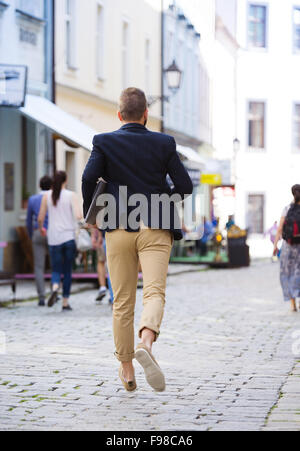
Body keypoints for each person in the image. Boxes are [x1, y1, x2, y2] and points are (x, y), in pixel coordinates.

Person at [82, 87, 193, 392]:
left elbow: (88, 178)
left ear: (119, 115)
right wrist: (163, 201)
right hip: (156, 225)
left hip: (118, 227)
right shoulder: (164, 142)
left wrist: (91, 215)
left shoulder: (103, 141)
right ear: (146, 114)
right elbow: (184, 185)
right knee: (154, 292)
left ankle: (127, 369)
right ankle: (146, 341)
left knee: (122, 301)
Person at [38, 171, 82, 311]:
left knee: (56, 268)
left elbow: (40, 218)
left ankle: (55, 286)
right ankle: (65, 302)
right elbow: (78, 215)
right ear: (66, 180)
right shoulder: (71, 195)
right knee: (67, 270)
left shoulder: (47, 196)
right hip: (68, 237)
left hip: (53, 237)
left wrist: (41, 229)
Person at [26, 175, 53, 306]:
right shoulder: (54, 198)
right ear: (52, 186)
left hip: (38, 231)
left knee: (38, 266)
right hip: (53, 232)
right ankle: (55, 291)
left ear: (39, 186)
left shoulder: (32, 199)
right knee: (55, 265)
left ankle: (41, 297)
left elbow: (28, 220)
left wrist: (32, 234)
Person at [273, 185, 300, 312]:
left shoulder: (287, 208)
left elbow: (279, 229)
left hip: (288, 247)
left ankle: (293, 303)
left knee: (288, 273)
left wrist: (275, 246)